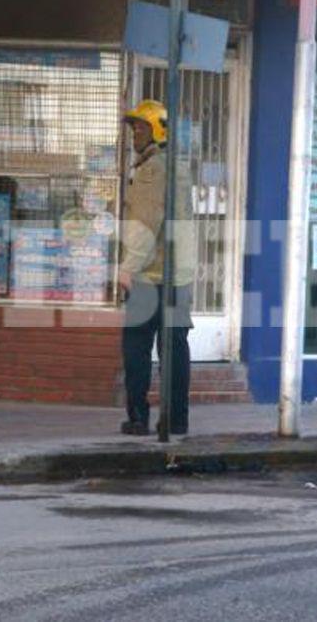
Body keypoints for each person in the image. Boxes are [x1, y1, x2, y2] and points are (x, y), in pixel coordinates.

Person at [117, 100, 196, 436]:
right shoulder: (177, 166)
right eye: (134, 127)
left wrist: (127, 267)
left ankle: (138, 418)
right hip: (178, 275)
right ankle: (176, 419)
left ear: (156, 131)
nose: (135, 134)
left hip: (151, 275)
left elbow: (145, 225)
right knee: (175, 349)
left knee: (136, 347)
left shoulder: (152, 170)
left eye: (141, 128)